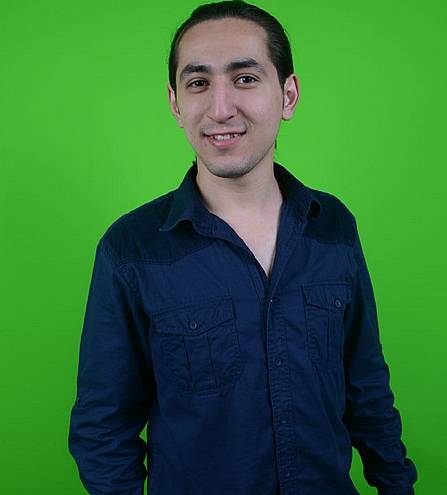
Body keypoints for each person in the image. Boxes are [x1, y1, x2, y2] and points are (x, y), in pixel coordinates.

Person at [68, 1, 418, 494]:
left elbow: (367, 387)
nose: (220, 108)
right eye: (198, 82)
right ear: (175, 103)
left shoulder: (333, 227)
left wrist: (396, 485)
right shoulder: (132, 250)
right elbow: (102, 429)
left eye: (245, 78)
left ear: (288, 95)